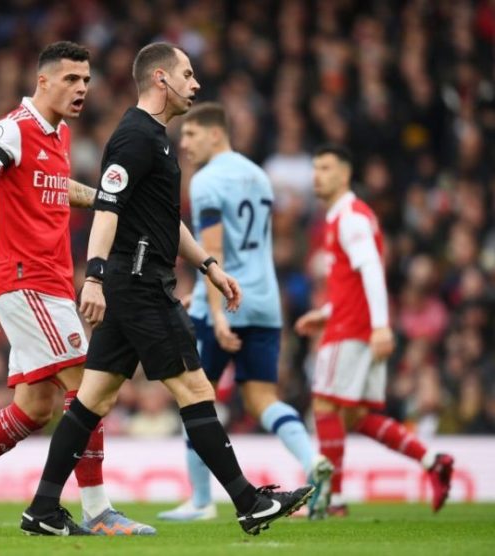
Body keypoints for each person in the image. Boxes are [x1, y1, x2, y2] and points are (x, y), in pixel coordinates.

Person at [18, 42, 314, 538]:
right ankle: (248, 501)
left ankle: (42, 508)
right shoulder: (134, 138)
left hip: (135, 279)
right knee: (195, 388)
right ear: (161, 79)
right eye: (188, 74)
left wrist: (211, 267)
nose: (196, 84)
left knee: (93, 398)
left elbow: (163, 220)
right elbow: (108, 209)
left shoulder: (156, 139)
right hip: (138, 281)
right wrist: (92, 275)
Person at [0, 41, 154, 537]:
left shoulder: (59, 135)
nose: (82, 88)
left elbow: (65, 192)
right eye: (71, 80)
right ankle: (98, 511)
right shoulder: (13, 128)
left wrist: (110, 200)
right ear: (44, 81)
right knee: (91, 384)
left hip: (51, 282)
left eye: (86, 80)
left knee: (35, 408)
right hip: (27, 280)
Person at [157, 102, 333, 522]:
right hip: (265, 300)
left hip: (225, 297)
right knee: (261, 398)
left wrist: (214, 313)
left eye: (192, 135)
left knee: (193, 395)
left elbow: (214, 251)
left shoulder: (205, 182)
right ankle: (312, 461)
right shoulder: (260, 175)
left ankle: (201, 501)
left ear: (216, 134)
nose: (184, 143)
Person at [294, 145, 454, 516]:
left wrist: (381, 326)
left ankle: (331, 499)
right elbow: (353, 282)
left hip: (352, 330)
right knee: (356, 417)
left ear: (345, 174)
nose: (318, 174)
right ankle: (433, 461)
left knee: (324, 404)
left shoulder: (350, 216)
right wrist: (325, 312)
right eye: (315, 168)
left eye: (327, 167)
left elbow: (372, 272)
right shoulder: (343, 217)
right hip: (351, 322)